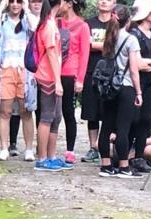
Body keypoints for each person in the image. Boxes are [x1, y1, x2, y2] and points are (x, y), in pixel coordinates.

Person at [0, 0, 39, 163]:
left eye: (19, 1)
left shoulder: (27, 20)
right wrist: (1, 7)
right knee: (5, 111)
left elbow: (35, 28)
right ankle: (4, 148)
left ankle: (29, 149)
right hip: (6, 69)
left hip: (25, 70)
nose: (15, 5)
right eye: (12, 2)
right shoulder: (3, 19)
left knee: (26, 111)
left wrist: (26, 8)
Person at [97, 4, 143, 179]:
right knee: (123, 128)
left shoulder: (109, 36)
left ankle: (106, 165)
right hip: (125, 87)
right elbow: (133, 69)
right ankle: (124, 166)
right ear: (128, 20)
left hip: (109, 87)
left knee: (106, 126)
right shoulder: (130, 40)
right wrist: (138, 92)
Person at [127, 0, 151, 174]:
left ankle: (139, 157)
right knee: (133, 119)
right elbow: (137, 63)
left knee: (145, 118)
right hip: (136, 82)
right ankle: (126, 155)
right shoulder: (134, 34)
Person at [33, 0, 69, 171]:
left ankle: (51, 155)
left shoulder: (51, 23)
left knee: (56, 117)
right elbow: (51, 55)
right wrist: (58, 81)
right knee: (47, 117)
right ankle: (42, 158)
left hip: (52, 77)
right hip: (48, 77)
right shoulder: (48, 26)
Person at [79, 0, 115, 163]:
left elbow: (115, 46)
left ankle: (107, 147)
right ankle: (93, 147)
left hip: (112, 72)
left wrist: (94, 44)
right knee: (91, 112)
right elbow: (83, 45)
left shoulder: (116, 23)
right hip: (90, 71)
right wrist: (105, 45)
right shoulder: (88, 24)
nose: (104, 2)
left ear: (114, 2)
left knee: (109, 111)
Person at [56, 0, 90, 166]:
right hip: (54, 72)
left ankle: (70, 150)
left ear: (69, 4)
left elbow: (85, 54)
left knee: (68, 111)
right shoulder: (55, 22)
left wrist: (80, 79)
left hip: (70, 73)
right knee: (50, 112)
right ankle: (49, 149)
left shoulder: (82, 26)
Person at [8, 0, 43, 158]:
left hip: (35, 69)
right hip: (15, 67)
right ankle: (13, 143)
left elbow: (35, 27)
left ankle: (37, 146)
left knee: (33, 109)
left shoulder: (43, 19)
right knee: (16, 109)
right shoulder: (16, 20)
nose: (35, 4)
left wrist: (27, 10)